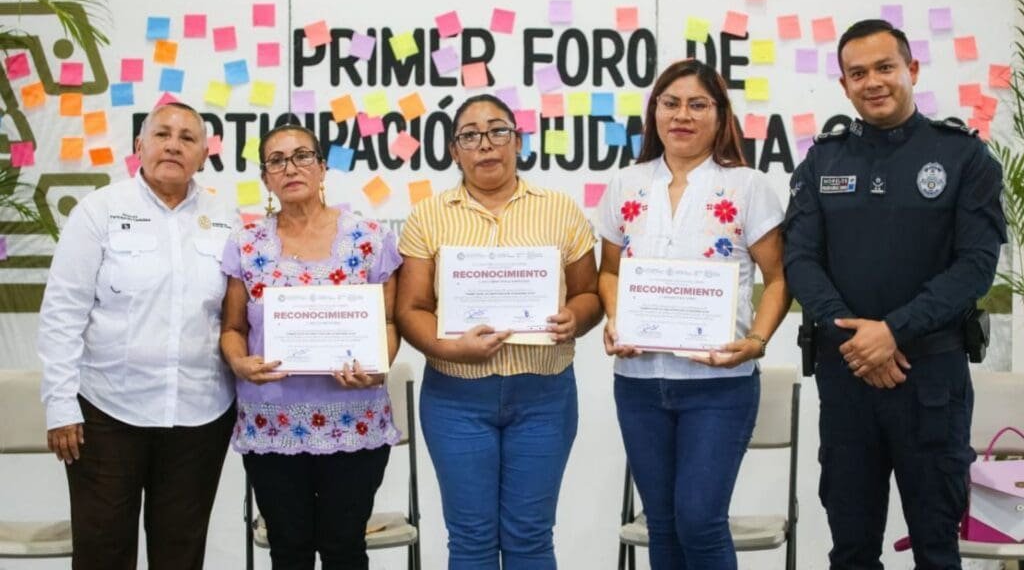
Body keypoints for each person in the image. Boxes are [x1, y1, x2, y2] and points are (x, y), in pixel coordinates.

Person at [784, 19, 1006, 569]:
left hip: (930, 383)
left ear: (911, 69)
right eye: (857, 73)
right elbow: (800, 261)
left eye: (885, 67)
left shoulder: (964, 159)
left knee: (936, 547)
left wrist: (892, 332)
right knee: (852, 549)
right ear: (844, 85)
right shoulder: (822, 162)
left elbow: (975, 268)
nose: (872, 82)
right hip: (848, 380)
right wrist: (857, 341)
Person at [596, 59, 790, 569]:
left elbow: (779, 278)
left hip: (719, 384)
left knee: (700, 520)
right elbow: (609, 273)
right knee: (662, 524)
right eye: (671, 103)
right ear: (654, 111)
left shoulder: (747, 186)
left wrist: (759, 340)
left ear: (720, 115)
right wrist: (616, 320)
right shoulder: (626, 184)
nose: (682, 115)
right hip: (638, 381)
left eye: (698, 104)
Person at [395, 94, 602, 570]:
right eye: (470, 135)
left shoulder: (561, 210)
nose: (485, 144)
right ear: (454, 151)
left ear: (519, 140)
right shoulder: (428, 216)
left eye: (498, 131)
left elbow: (589, 296)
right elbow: (411, 308)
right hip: (456, 399)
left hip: (544, 396)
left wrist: (577, 318)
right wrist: (450, 347)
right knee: (470, 539)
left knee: (530, 537)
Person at [37, 102, 235, 570]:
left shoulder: (227, 218)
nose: (173, 144)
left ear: (204, 155)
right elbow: (63, 311)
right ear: (138, 146)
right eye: (162, 134)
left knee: (181, 554)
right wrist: (61, 404)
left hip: (199, 417)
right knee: (102, 553)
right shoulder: (99, 210)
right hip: (107, 414)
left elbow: (239, 315)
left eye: (188, 138)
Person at [219, 124, 402, 570]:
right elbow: (231, 327)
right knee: (289, 551)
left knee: (344, 549)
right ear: (265, 179)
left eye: (302, 155)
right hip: (271, 425)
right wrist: (239, 362)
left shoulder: (370, 239)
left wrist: (377, 366)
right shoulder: (245, 244)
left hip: (354, 421)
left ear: (323, 167)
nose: (291, 167)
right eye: (276, 160)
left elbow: (390, 321)